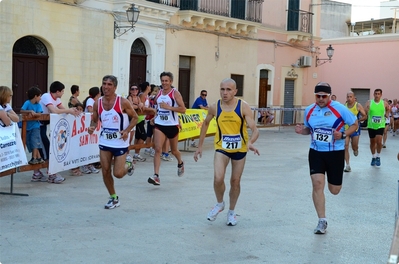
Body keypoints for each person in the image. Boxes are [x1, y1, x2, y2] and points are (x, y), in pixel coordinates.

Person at [194, 78, 259, 226]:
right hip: (222, 147)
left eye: (229, 90)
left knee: (235, 181)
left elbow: (255, 129)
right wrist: (200, 146)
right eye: (222, 89)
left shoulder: (243, 107)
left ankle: (231, 211)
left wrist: (250, 142)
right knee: (218, 178)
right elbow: (205, 124)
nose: (225, 93)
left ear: (235, 91)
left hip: (240, 148)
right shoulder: (214, 107)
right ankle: (219, 203)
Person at [295, 82, 358, 234]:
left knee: (334, 190)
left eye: (324, 96)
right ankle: (322, 220)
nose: (321, 99)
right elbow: (308, 130)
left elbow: (355, 124)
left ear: (329, 96)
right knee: (317, 184)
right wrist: (301, 130)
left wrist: (343, 134)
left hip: (335, 153)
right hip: (316, 152)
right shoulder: (310, 110)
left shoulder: (340, 109)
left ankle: (335, 184)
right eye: (318, 96)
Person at [88, 75, 137, 209]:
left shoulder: (123, 102)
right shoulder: (97, 103)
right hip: (105, 141)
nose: (106, 87)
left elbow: (135, 118)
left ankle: (129, 163)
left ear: (115, 87)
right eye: (104, 84)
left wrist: (127, 130)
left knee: (118, 174)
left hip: (120, 142)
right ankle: (113, 197)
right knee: (105, 171)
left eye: (109, 84)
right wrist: (92, 126)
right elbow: (95, 119)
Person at [148, 72, 186, 186]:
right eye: (163, 80)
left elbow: (183, 109)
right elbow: (158, 107)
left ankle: (180, 162)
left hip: (172, 125)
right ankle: (156, 176)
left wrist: (168, 107)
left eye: (166, 81)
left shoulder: (175, 93)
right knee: (158, 149)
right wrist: (155, 117)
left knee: (174, 151)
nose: (164, 83)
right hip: (160, 124)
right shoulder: (159, 92)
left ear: (171, 82)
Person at [39, 81, 80, 183]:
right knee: (45, 148)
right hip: (37, 125)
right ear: (57, 91)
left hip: (43, 125)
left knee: (44, 148)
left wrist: (73, 110)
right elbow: (55, 111)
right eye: (62, 91)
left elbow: (63, 109)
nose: (63, 93)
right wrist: (69, 111)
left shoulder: (56, 99)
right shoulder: (46, 96)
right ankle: (50, 173)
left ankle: (39, 173)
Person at [20, 86, 46, 167]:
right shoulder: (27, 103)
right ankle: (39, 157)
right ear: (35, 96)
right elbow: (22, 110)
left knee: (35, 141)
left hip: (35, 126)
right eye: (39, 96)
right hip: (27, 127)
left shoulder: (38, 105)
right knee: (29, 142)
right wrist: (30, 111)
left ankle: (34, 158)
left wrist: (35, 114)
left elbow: (39, 113)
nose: (40, 98)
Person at [364, 89, 389, 166]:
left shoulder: (384, 103)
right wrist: (366, 110)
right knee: (372, 142)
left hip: (380, 125)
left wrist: (387, 114)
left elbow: (388, 109)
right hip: (371, 125)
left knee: (379, 141)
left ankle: (378, 156)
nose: (377, 95)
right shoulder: (369, 102)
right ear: (373, 94)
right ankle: (373, 157)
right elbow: (364, 112)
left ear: (381, 95)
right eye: (375, 94)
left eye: (378, 94)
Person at [343, 91, 366, 172]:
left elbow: (365, 116)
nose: (349, 98)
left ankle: (355, 149)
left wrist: (358, 120)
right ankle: (347, 165)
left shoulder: (357, 105)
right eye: (348, 97)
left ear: (354, 97)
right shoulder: (344, 106)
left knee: (354, 146)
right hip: (346, 129)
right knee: (345, 146)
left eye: (350, 97)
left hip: (355, 129)